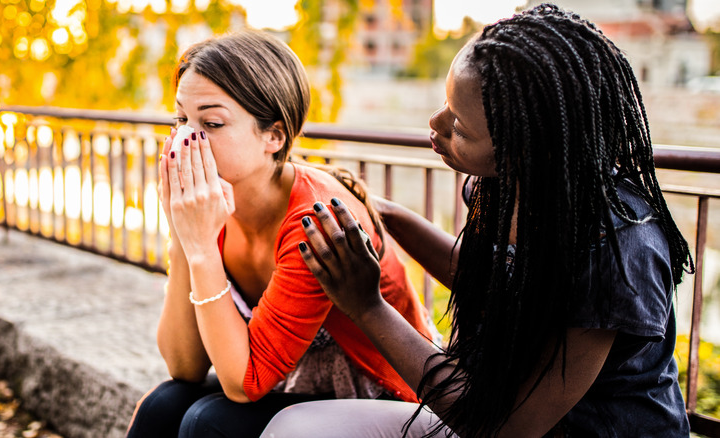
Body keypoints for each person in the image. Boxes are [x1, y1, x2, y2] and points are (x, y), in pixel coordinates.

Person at [262, 4, 693, 437]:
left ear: (526, 148)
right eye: (445, 105)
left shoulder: (619, 252)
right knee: (293, 427)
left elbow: (511, 427)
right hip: (485, 413)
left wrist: (367, 306)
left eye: (461, 128)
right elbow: (490, 279)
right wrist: (382, 212)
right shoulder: (502, 190)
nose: (435, 124)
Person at [125, 30, 435, 438]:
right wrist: (185, 237)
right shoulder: (216, 204)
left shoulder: (314, 223)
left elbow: (244, 384)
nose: (185, 139)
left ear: (274, 136)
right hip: (287, 378)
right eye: (181, 119)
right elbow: (184, 366)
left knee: (208, 422)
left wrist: (200, 246)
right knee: (162, 406)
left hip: (378, 392)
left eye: (211, 123)